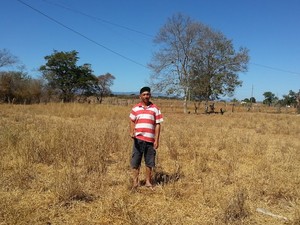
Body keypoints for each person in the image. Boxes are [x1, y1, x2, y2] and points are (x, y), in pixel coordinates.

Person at [129, 86, 163, 189]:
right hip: (138, 139)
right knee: (136, 161)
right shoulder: (135, 108)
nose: (146, 96)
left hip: (150, 140)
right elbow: (132, 121)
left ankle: (148, 182)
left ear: (150, 95)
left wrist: (156, 140)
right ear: (140, 96)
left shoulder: (155, 109)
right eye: (144, 94)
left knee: (149, 162)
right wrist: (132, 132)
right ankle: (136, 182)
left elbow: (157, 124)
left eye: (147, 94)